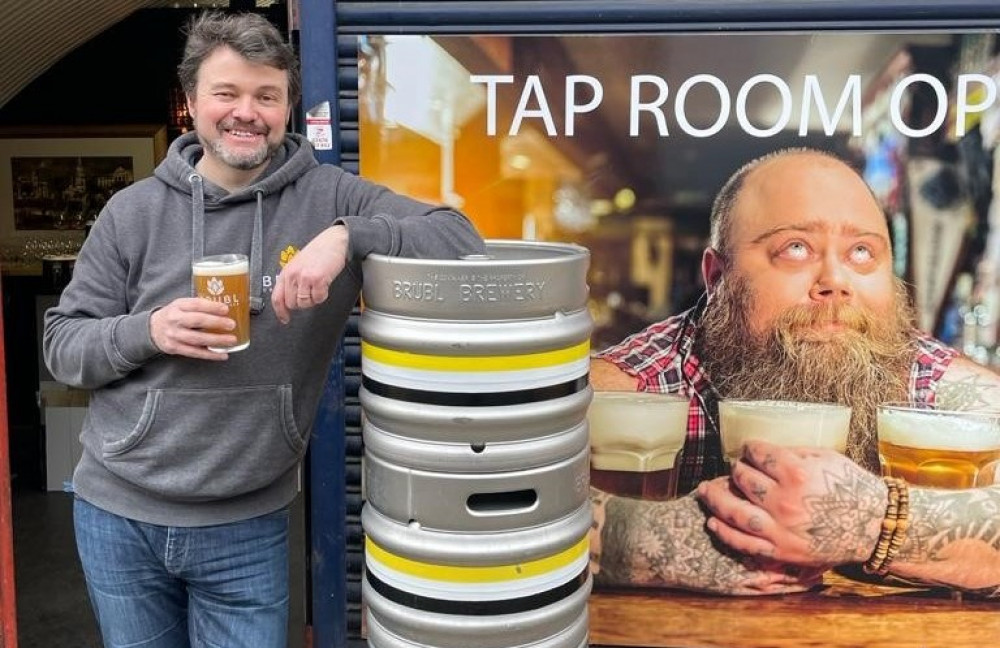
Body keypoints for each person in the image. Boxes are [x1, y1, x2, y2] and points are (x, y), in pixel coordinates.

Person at [43, 11, 484, 648]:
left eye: (266, 96)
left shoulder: (332, 197)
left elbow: (459, 238)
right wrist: (149, 331)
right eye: (227, 93)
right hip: (119, 515)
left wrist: (347, 237)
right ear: (192, 101)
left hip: (246, 521)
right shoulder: (131, 212)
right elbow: (63, 346)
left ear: (286, 108)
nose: (246, 112)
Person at [588, 147, 1000, 596]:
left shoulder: (922, 379)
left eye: (862, 252)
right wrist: (656, 542)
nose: (835, 281)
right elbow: (504, 496)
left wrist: (872, 522)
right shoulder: (639, 386)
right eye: (796, 248)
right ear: (716, 278)